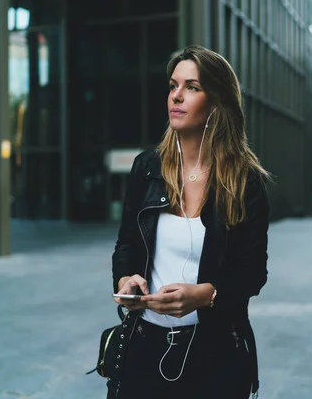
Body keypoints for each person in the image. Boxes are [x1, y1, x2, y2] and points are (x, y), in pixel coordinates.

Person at [109, 44, 271, 399]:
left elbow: (252, 272)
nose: (176, 96)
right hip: (144, 347)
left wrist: (206, 295)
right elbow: (126, 245)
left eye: (192, 87)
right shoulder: (147, 168)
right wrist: (126, 277)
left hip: (215, 354)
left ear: (216, 100)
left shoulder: (246, 182)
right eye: (173, 85)